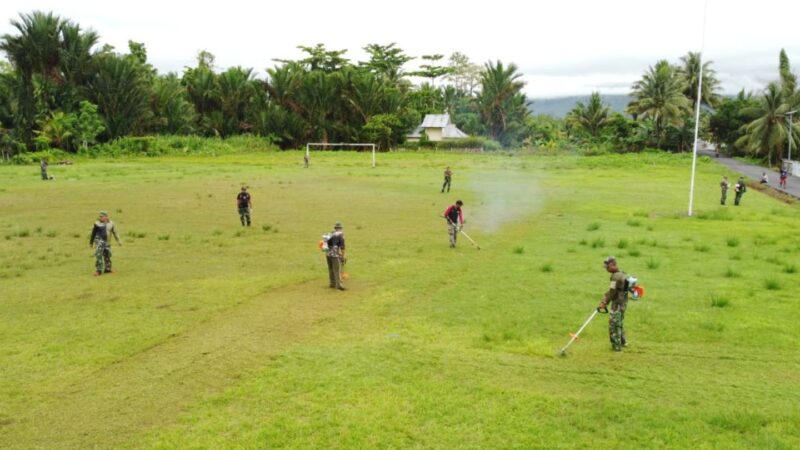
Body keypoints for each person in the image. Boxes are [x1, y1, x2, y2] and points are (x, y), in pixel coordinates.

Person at [598, 256, 629, 352]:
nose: (606, 269)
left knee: (614, 324)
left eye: (607, 267)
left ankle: (616, 346)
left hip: (617, 303)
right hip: (623, 302)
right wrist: (605, 296)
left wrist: (605, 302)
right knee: (619, 322)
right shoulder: (623, 273)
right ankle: (623, 342)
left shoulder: (615, 277)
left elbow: (612, 291)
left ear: (612, 265)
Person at [89, 211, 122, 276]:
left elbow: (115, 232)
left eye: (102, 216)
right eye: (100, 216)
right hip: (99, 242)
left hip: (107, 242)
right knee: (98, 255)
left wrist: (119, 241)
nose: (100, 218)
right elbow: (93, 233)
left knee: (107, 255)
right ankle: (98, 270)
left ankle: (108, 269)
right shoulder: (97, 223)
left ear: (106, 217)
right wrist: (91, 242)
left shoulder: (111, 223)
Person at [326, 222, 346, 290]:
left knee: (331, 269)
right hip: (335, 255)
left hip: (328, 254)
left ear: (335, 228)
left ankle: (332, 283)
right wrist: (343, 256)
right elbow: (342, 247)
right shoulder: (341, 235)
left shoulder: (331, 233)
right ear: (341, 228)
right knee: (337, 270)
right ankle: (339, 285)